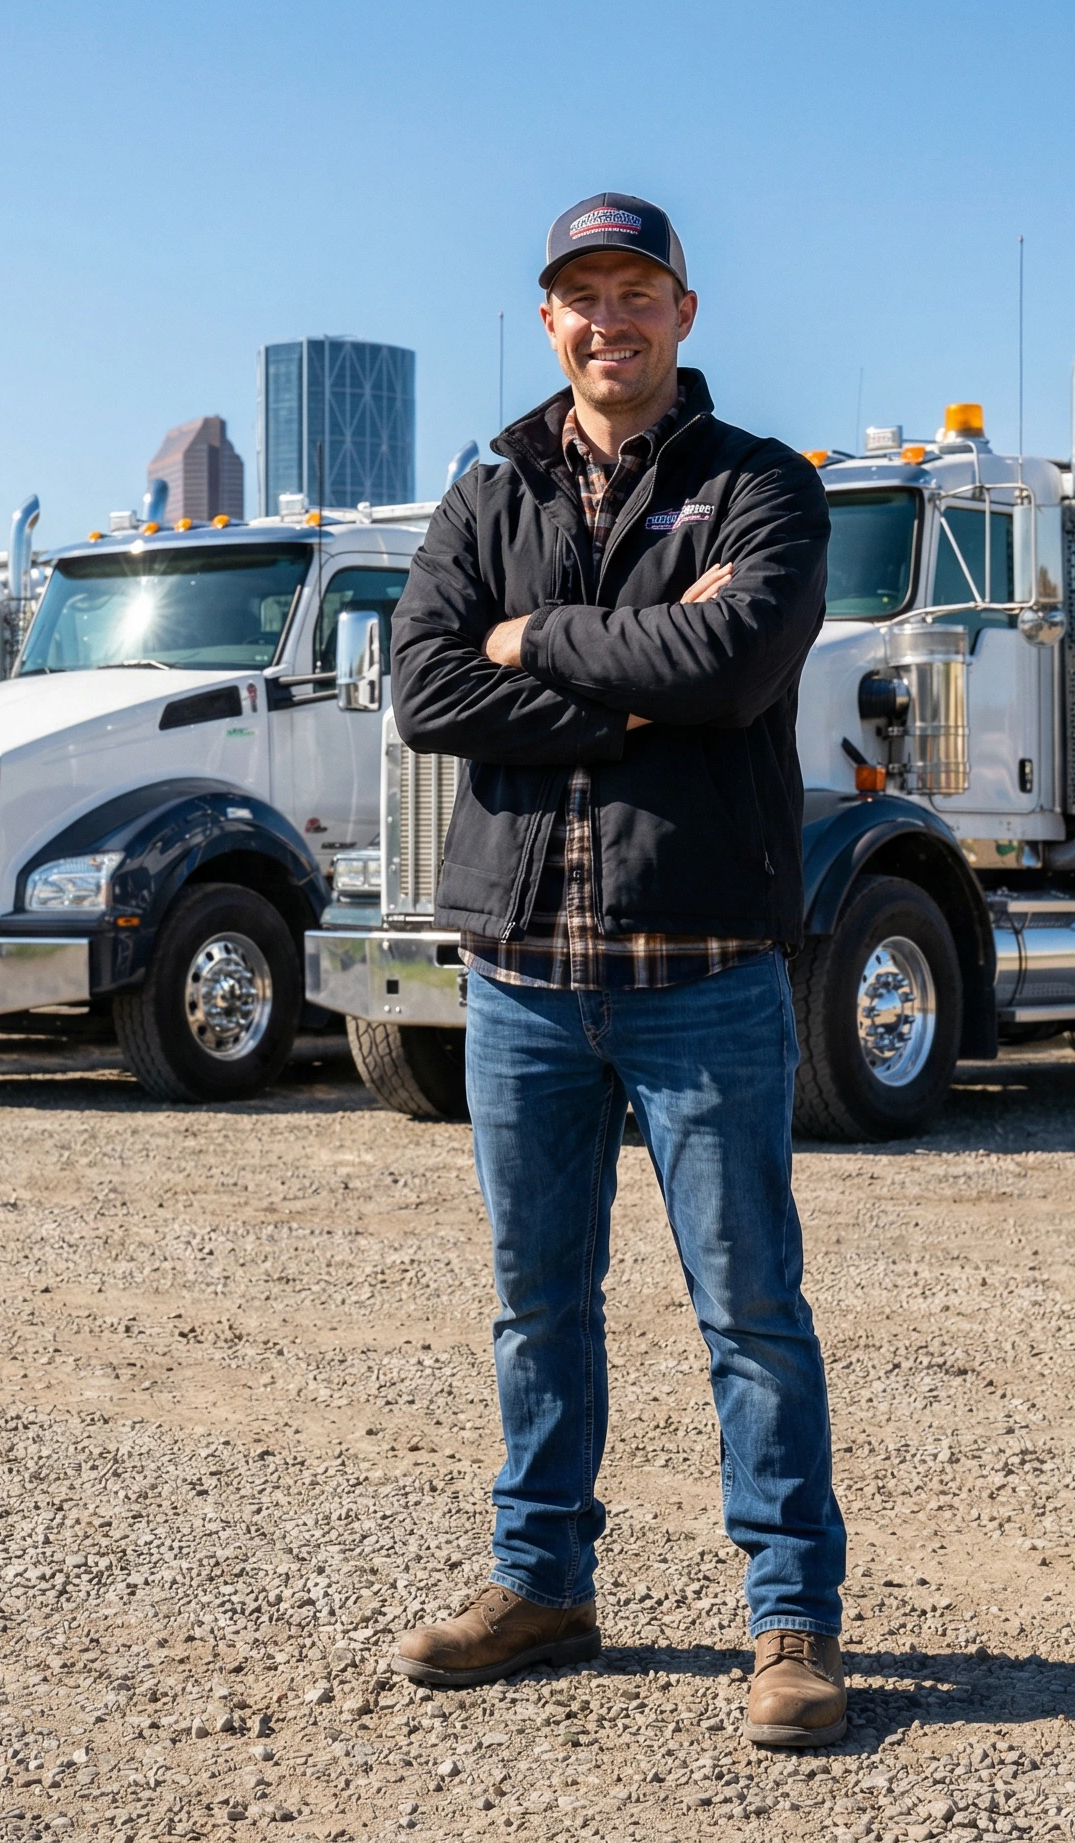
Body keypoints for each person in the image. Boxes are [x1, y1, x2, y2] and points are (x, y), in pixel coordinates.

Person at [385, 193, 845, 1747]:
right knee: (537, 1303)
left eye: (636, 291)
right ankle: (542, 1585)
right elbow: (426, 688)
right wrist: (618, 684)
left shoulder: (760, 486)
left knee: (751, 1307)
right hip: (520, 978)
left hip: (702, 973)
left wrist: (536, 643)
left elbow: (732, 664)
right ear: (548, 322)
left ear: (684, 315)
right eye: (582, 296)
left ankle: (790, 1626)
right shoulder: (488, 489)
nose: (609, 320)